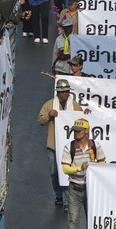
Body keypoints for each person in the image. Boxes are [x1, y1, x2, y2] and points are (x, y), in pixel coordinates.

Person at [61, 118, 105, 229]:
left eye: (79, 131)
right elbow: (65, 168)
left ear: (87, 131)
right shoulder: (69, 147)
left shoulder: (95, 147)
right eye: (75, 131)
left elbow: (103, 164)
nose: (76, 133)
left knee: (91, 220)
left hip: (91, 189)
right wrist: (80, 168)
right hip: (74, 187)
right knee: (73, 220)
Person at [37, 79, 85, 211]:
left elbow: (82, 122)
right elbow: (40, 120)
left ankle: (66, 201)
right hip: (53, 145)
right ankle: (59, 195)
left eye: (66, 91)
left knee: (66, 172)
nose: (64, 94)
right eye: (61, 91)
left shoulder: (75, 106)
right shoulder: (50, 104)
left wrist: (86, 114)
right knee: (54, 172)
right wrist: (49, 115)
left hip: (70, 147)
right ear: (57, 92)